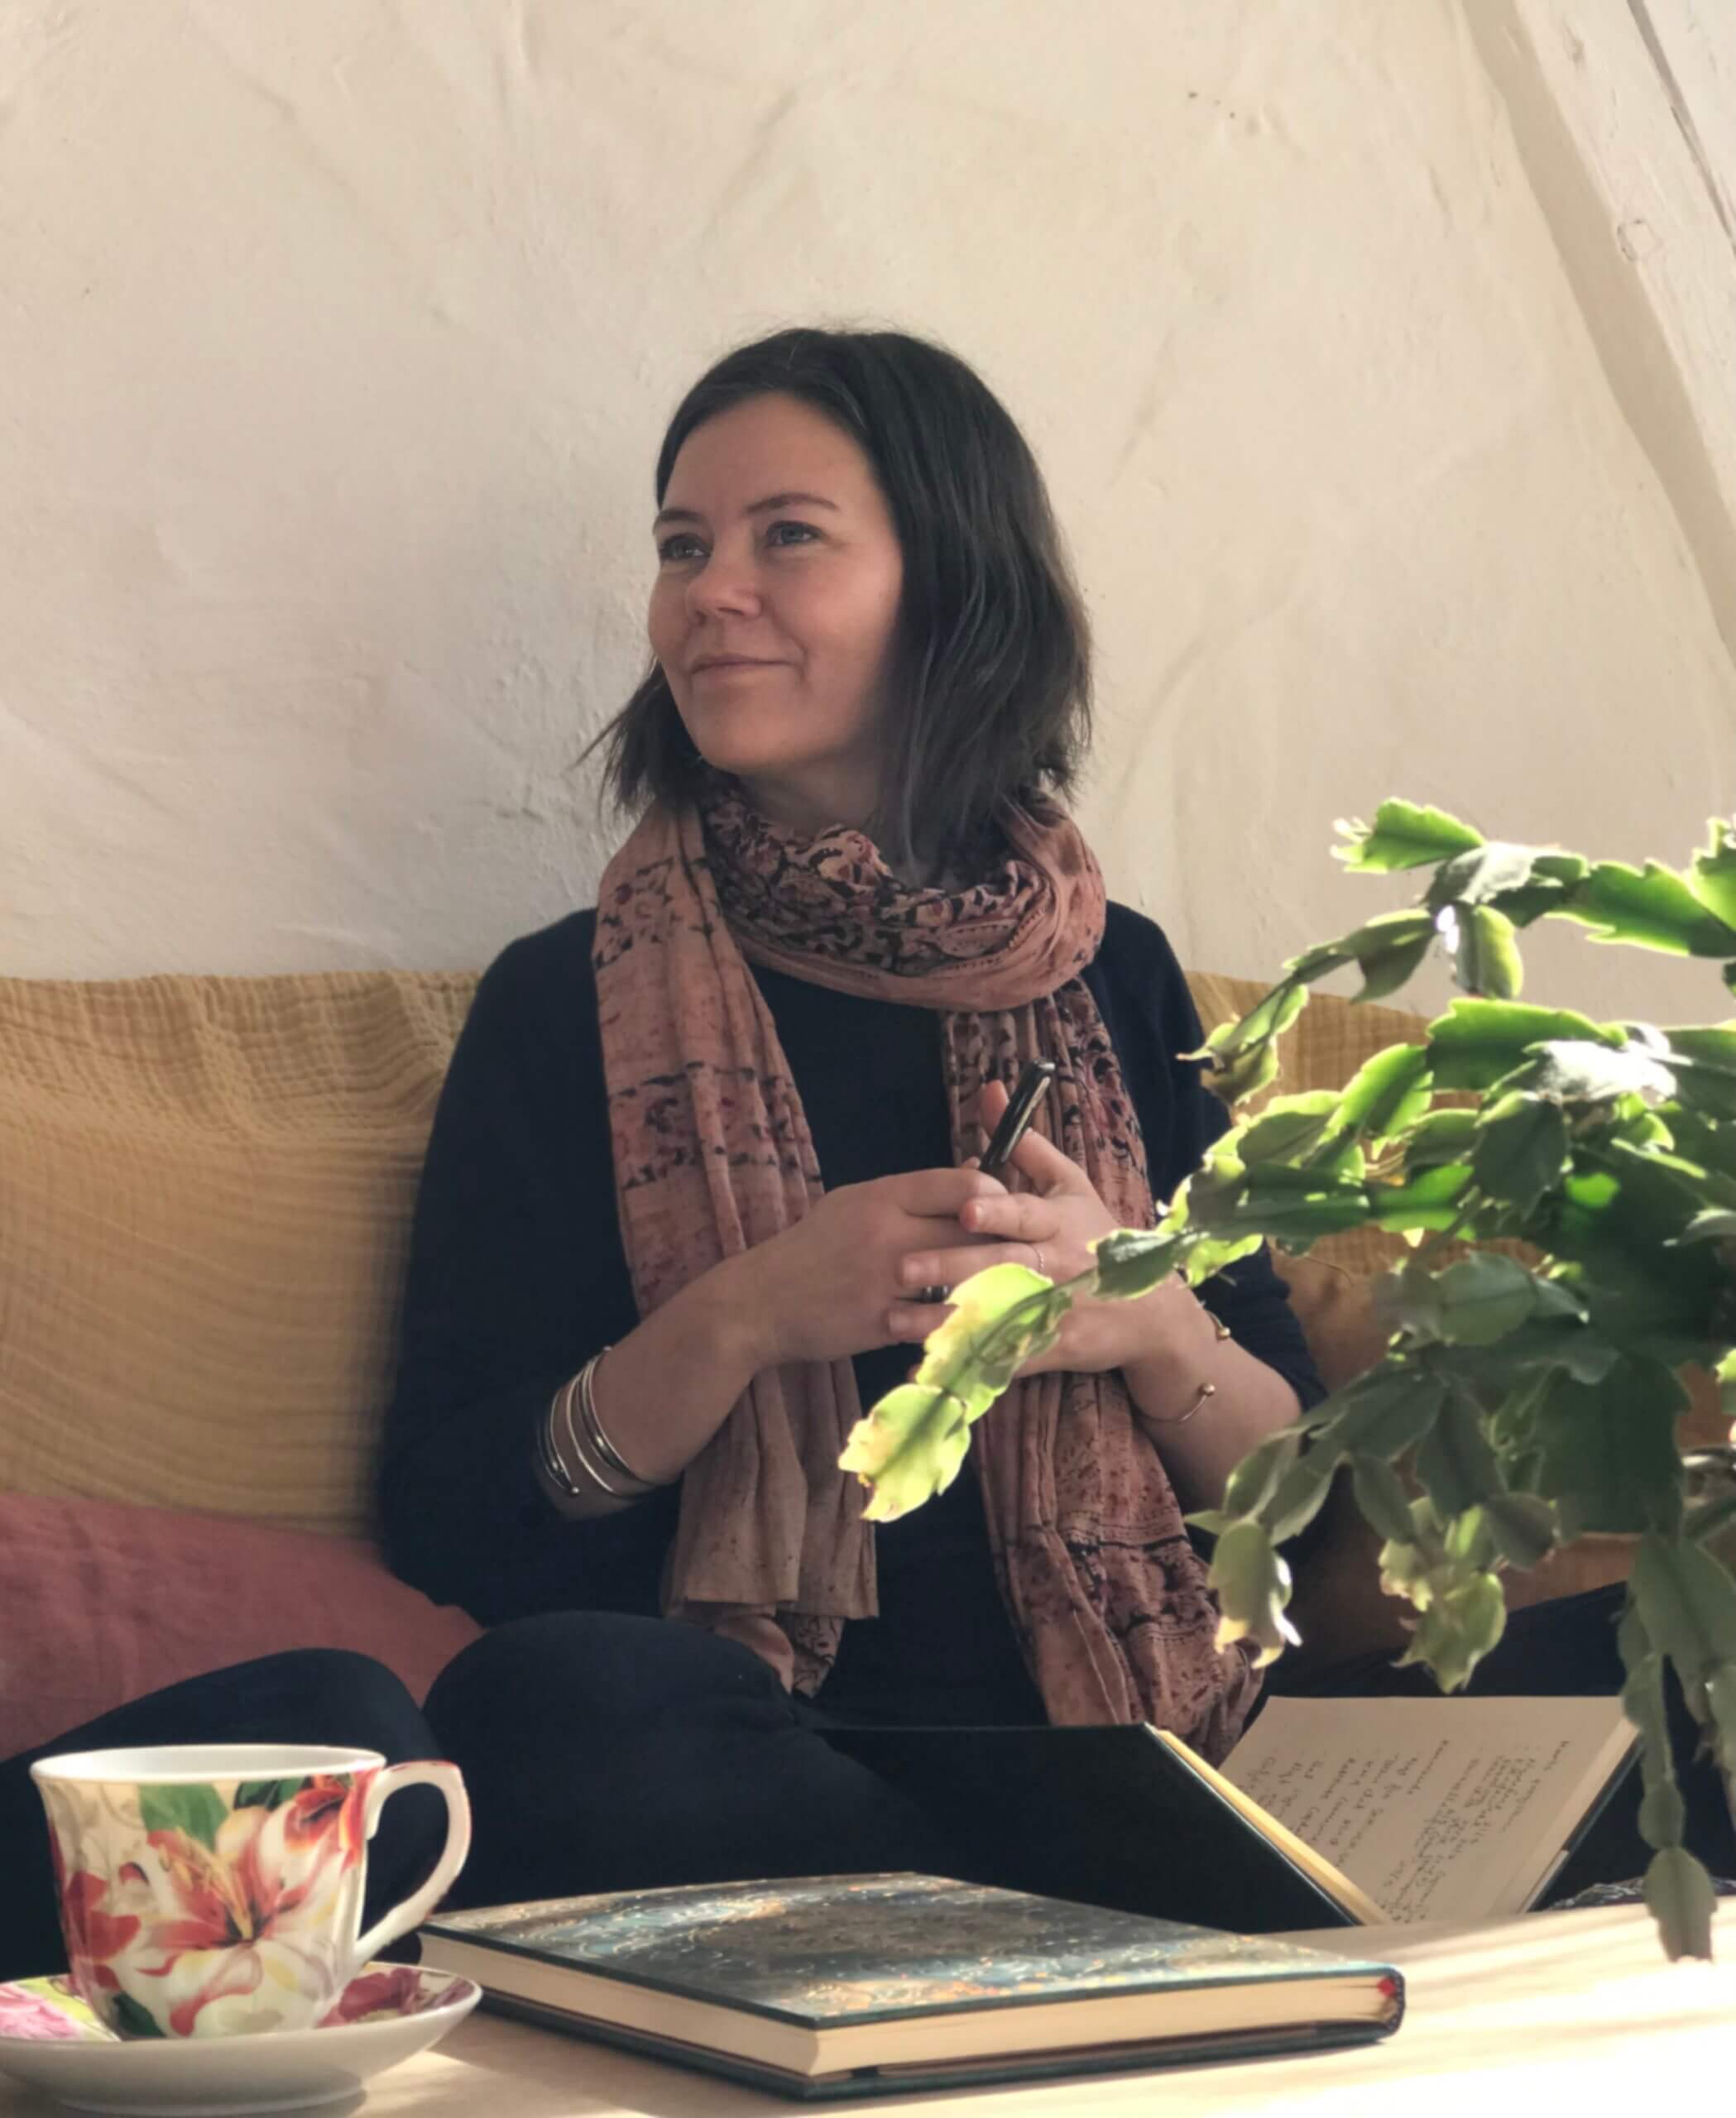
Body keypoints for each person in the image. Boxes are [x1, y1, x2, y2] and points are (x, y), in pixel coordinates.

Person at [374, 327, 1323, 1911]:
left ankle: (1027, 1918)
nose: (710, 592)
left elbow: (1299, 1488)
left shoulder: (1118, 973)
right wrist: (745, 1316)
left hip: (1141, 1733)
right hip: (772, 1753)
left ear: (951, 587)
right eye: (684, 546)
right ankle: (1040, 1924)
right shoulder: (567, 998)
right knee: (558, 1710)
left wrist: (1148, 1322)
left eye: (786, 537)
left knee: (1652, 1673)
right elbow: (455, 1512)